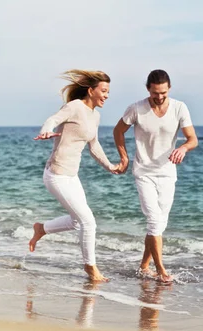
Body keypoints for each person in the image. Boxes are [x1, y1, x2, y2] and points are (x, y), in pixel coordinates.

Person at [29, 69, 121, 282]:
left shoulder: (95, 115)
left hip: (72, 176)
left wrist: (110, 166)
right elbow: (53, 119)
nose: (106, 96)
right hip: (56, 174)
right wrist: (46, 130)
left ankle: (41, 228)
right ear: (91, 90)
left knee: (79, 222)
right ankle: (91, 270)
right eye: (103, 91)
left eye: (108, 92)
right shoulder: (74, 107)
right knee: (88, 221)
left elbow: (94, 145)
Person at [113, 69, 198, 282]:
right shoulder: (136, 109)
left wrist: (183, 149)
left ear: (169, 89)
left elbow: (192, 139)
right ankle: (161, 271)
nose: (159, 98)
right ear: (148, 89)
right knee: (153, 219)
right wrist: (124, 158)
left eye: (163, 93)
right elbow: (118, 131)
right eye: (155, 94)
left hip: (168, 173)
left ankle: (143, 266)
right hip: (144, 172)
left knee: (160, 224)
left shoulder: (179, 108)